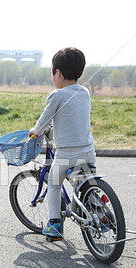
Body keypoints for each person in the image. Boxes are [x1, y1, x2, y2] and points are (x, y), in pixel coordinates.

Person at [28, 47, 96, 241]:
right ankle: (97, 207)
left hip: (66, 155)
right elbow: (71, 116)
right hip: (88, 151)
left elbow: (43, 121)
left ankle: (55, 225)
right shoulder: (84, 92)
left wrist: (35, 132)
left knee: (54, 183)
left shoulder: (56, 95)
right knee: (84, 182)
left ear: (57, 73)